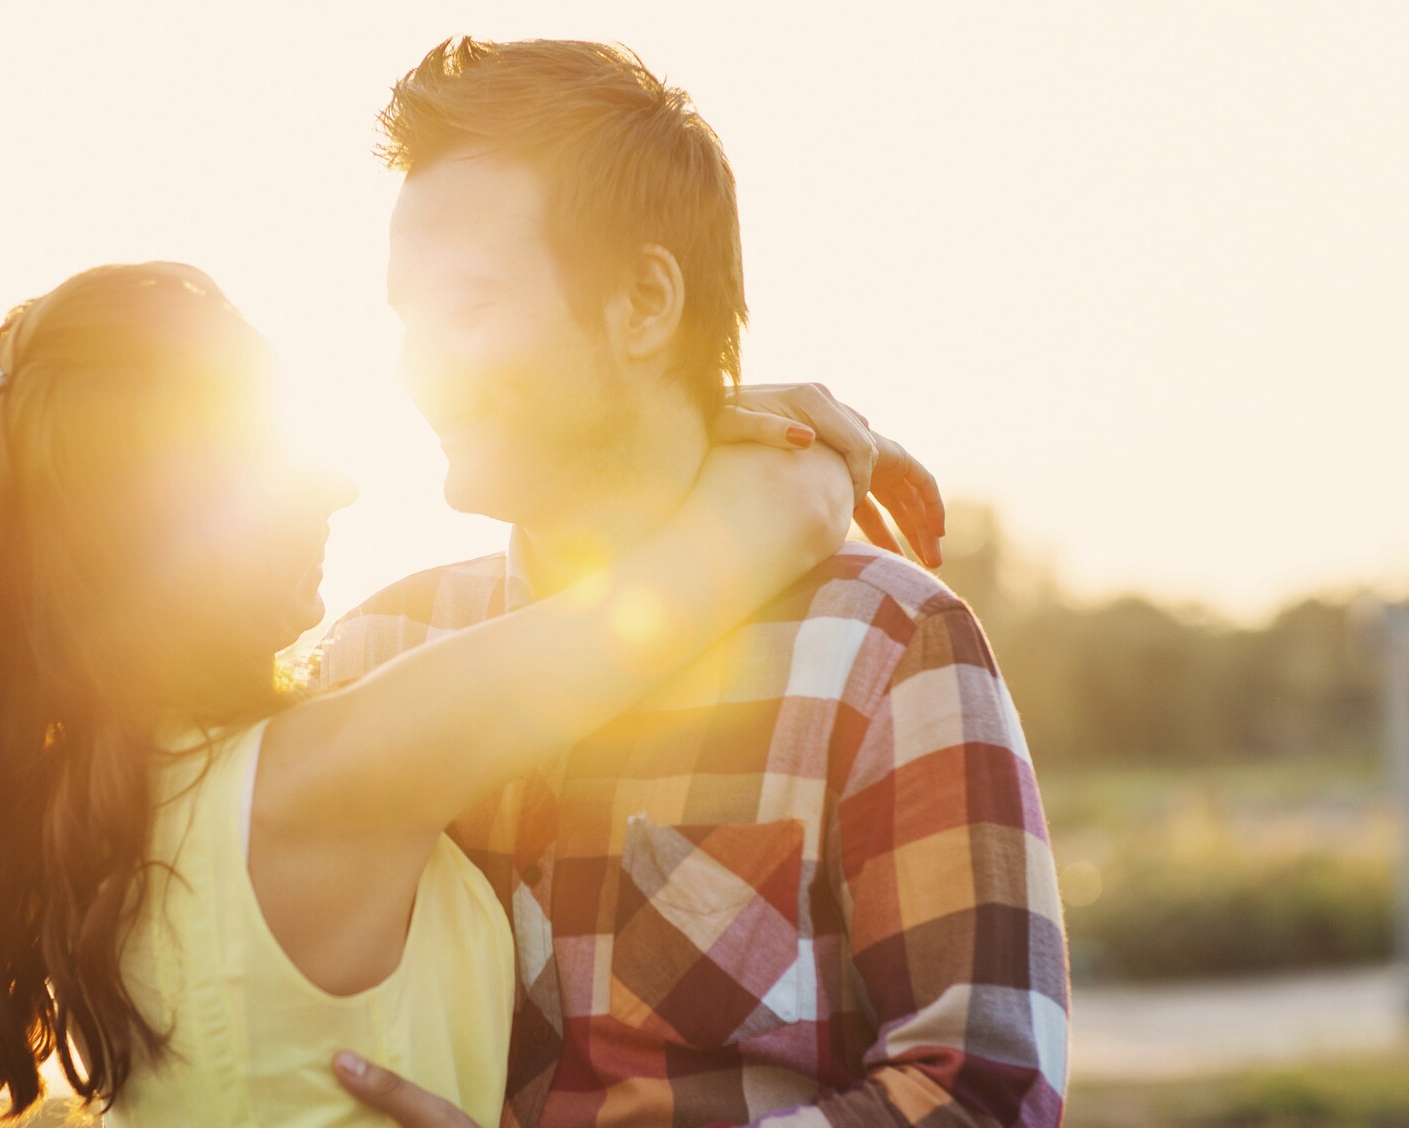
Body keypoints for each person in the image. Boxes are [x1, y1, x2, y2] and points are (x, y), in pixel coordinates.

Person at [0, 261, 927, 1125]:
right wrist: (788, 438)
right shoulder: (327, 776)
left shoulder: (102, 808)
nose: (338, 483)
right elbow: (775, 519)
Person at [318, 37, 1068, 1128]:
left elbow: (985, 1095)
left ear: (642, 303)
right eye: (402, 320)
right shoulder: (374, 651)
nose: (413, 367)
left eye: (465, 307)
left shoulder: (880, 647)